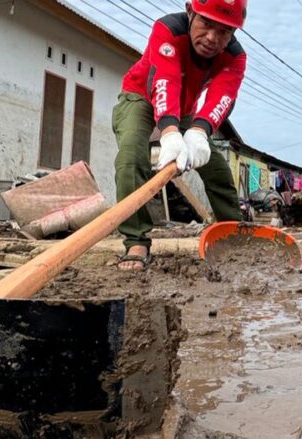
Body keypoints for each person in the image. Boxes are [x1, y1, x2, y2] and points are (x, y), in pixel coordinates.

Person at [112, 0, 247, 270]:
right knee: (131, 157)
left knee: (218, 170)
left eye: (224, 31)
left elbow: (223, 96)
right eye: (206, 23)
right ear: (190, 11)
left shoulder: (235, 57)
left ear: (233, 32)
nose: (212, 38)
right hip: (140, 96)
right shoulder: (168, 30)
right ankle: (136, 241)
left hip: (185, 111)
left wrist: (199, 130)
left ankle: (235, 234)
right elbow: (165, 79)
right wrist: (170, 132)